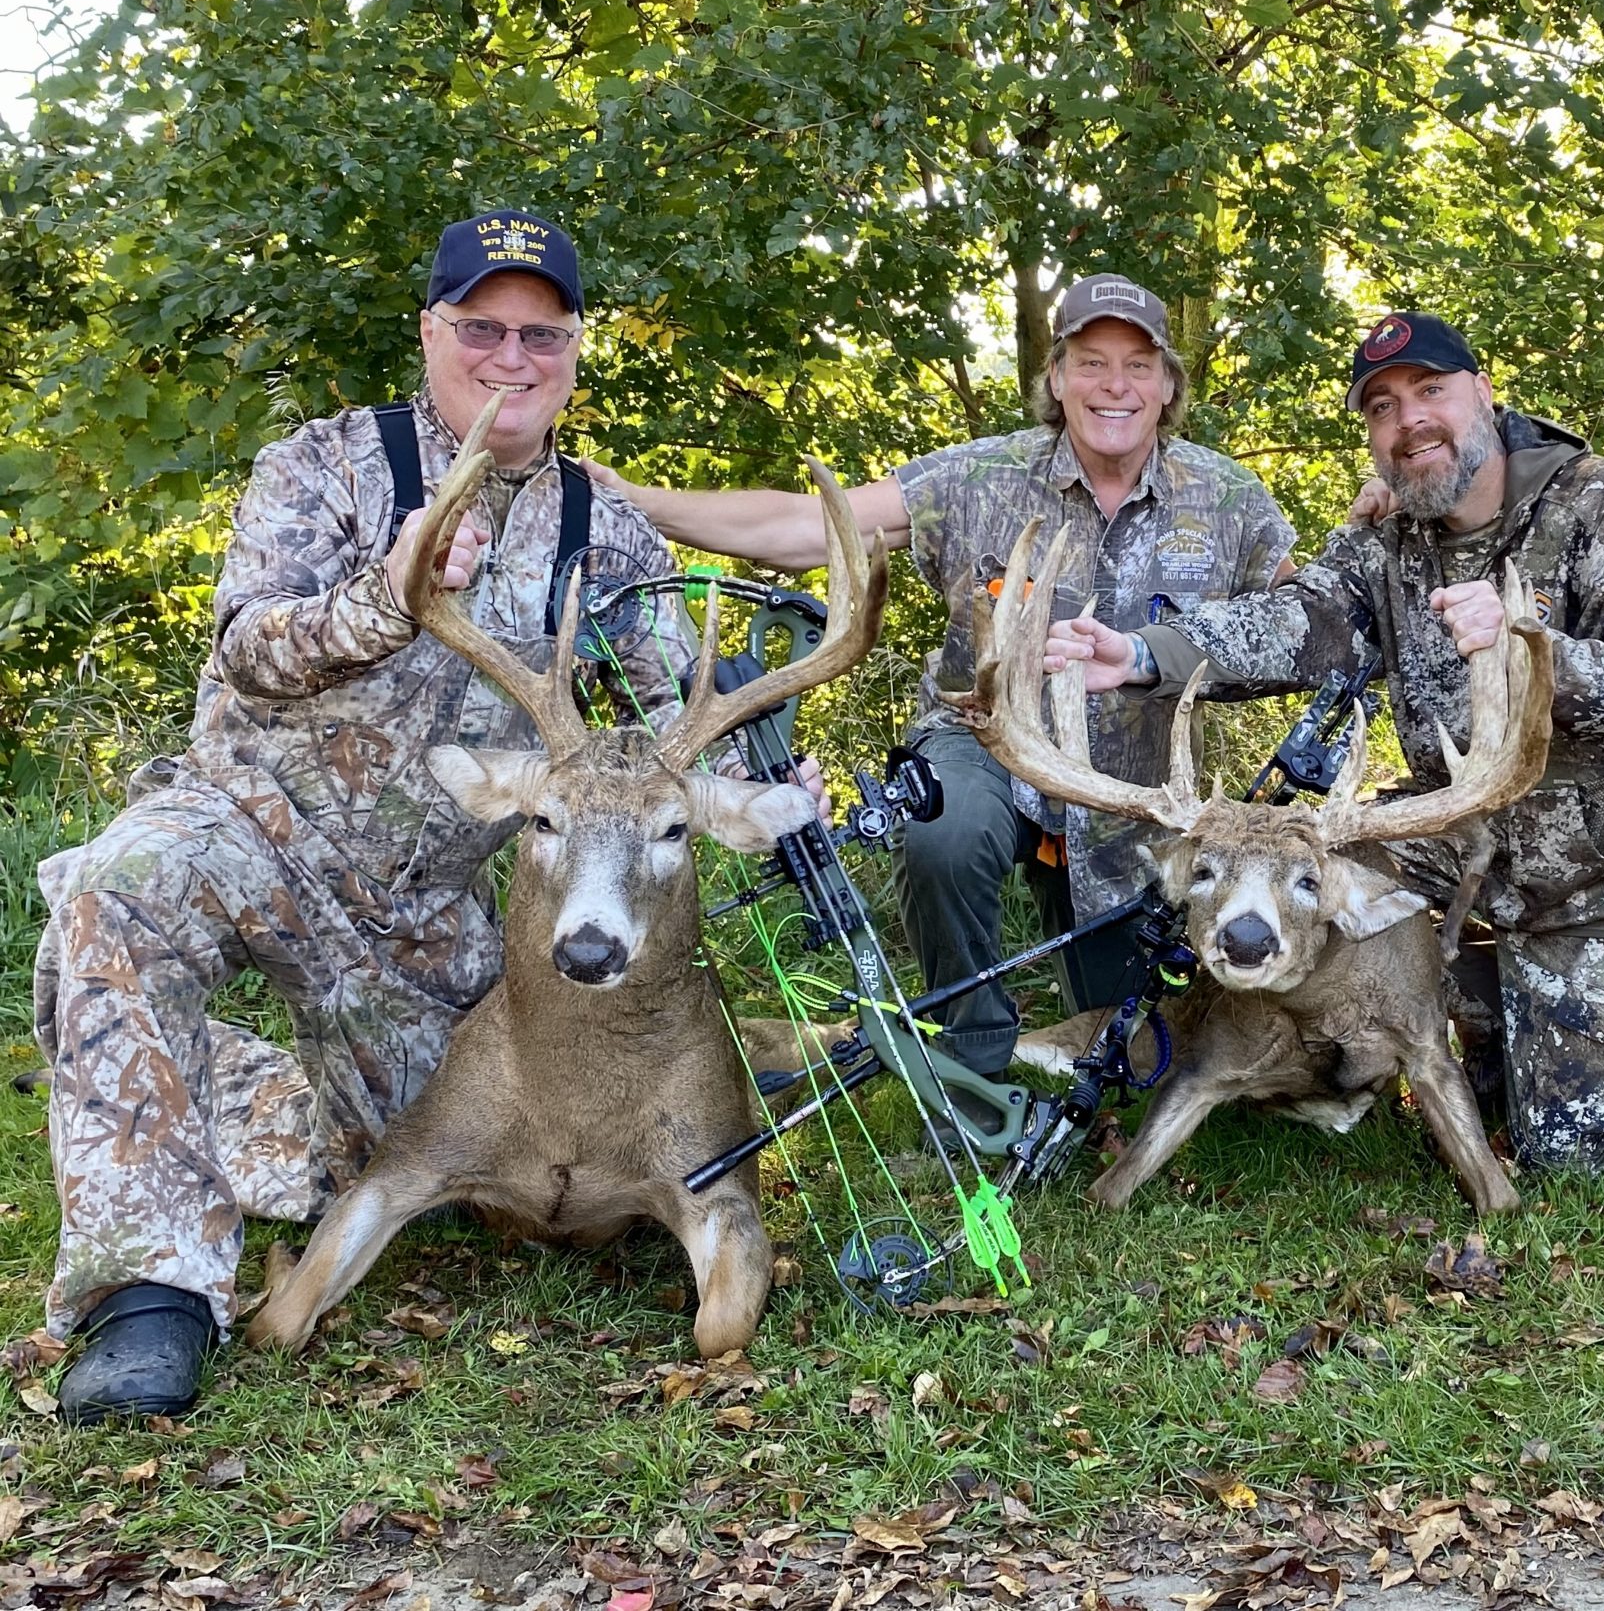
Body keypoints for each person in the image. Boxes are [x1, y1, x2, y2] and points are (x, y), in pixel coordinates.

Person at [35, 212, 687, 1419]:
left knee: (448, 1169)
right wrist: (382, 597)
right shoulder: (327, 463)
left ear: (574, 346)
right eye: (481, 327)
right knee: (113, 892)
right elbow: (247, 647)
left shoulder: (603, 526)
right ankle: (148, 1296)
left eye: (540, 334)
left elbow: (668, 708)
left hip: (422, 915)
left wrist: (763, 775)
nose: (511, 357)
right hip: (246, 827)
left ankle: (176, 1082)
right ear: (431, 331)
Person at [1047, 312, 1604, 1174]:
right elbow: (1302, 623)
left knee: (1565, 1139)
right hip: (1461, 852)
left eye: (1431, 391)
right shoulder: (1387, 539)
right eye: (1383, 408)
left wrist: (1535, 653)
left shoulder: (1599, 501)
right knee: (1311, 870)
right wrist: (1142, 654)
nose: (1411, 421)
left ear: (1483, 394)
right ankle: (1312, 1055)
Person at [601, 276, 1294, 1076]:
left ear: (1168, 384)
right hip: (982, 742)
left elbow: (1299, 621)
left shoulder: (1227, 496)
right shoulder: (978, 479)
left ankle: (1089, 1050)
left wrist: (1365, 539)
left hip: (1131, 789)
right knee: (944, 832)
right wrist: (636, 502)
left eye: (1138, 366)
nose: (1115, 386)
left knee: (1136, 1055)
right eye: (1091, 362)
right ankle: (971, 1064)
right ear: (1057, 376)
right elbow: (802, 529)